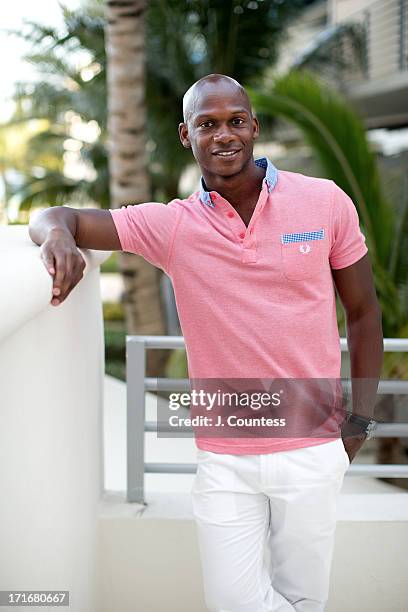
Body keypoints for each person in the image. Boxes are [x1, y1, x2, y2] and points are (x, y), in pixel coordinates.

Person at [29, 74, 383, 611]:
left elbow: (363, 310)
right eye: (207, 124)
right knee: (232, 602)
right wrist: (57, 236)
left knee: (306, 598)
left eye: (235, 121)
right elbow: (62, 217)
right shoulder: (170, 226)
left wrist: (360, 419)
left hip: (313, 447)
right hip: (225, 458)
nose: (224, 135)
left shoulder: (324, 201)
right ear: (186, 135)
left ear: (255, 127)